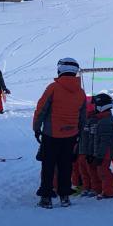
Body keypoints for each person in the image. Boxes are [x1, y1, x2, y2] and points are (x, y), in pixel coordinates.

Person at [33, 58, 87, 208]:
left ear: (60, 69)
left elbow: (41, 109)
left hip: (51, 134)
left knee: (48, 166)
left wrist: (36, 128)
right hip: (71, 135)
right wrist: (79, 132)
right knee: (66, 166)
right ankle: (64, 197)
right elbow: (83, 116)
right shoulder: (81, 92)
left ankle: (46, 197)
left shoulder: (53, 88)